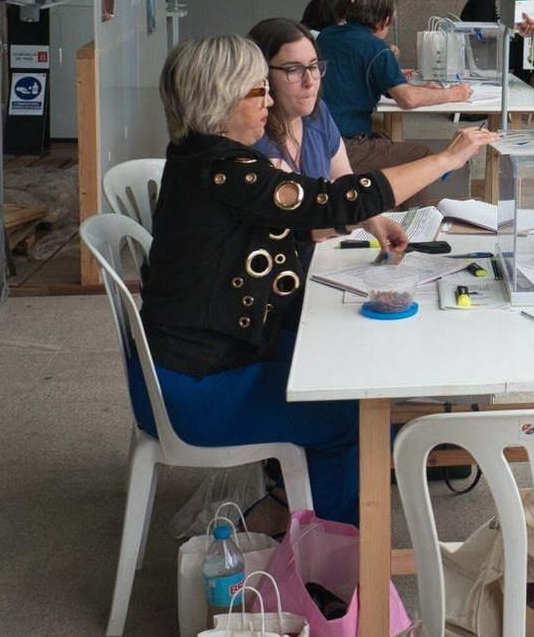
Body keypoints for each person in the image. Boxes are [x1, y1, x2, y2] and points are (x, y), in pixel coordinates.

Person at [143, 35, 495, 525]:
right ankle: (333, 552)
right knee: (358, 417)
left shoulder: (199, 158)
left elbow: (303, 215)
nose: (268, 100)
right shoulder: (225, 170)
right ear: (219, 97)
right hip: (199, 387)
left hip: (205, 360)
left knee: (353, 373)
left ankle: (305, 504)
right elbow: (334, 200)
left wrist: (366, 219)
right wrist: (446, 159)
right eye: (257, 91)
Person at [248, 17, 416, 260]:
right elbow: (305, 220)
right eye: (293, 70)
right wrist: (446, 159)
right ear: (262, 76)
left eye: (314, 66)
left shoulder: (317, 113)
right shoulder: (254, 138)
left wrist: (370, 217)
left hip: (321, 258)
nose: (309, 81)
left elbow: (344, 181)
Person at [316, 0, 473, 177]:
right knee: (423, 158)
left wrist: (418, 88)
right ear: (386, 20)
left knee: (384, 138)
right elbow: (408, 99)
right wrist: (452, 94)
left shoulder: (326, 35)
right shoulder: (377, 48)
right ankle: (418, 208)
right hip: (345, 143)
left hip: (317, 136)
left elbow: (354, 74)